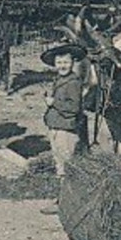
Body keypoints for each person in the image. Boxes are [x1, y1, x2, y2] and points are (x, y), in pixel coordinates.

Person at [41, 42, 89, 179]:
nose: (62, 66)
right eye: (59, 62)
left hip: (66, 127)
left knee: (66, 159)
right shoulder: (59, 79)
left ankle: (68, 187)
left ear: (73, 62)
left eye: (66, 62)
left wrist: (54, 102)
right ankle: (62, 185)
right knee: (58, 158)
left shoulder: (74, 82)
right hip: (56, 124)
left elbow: (74, 107)